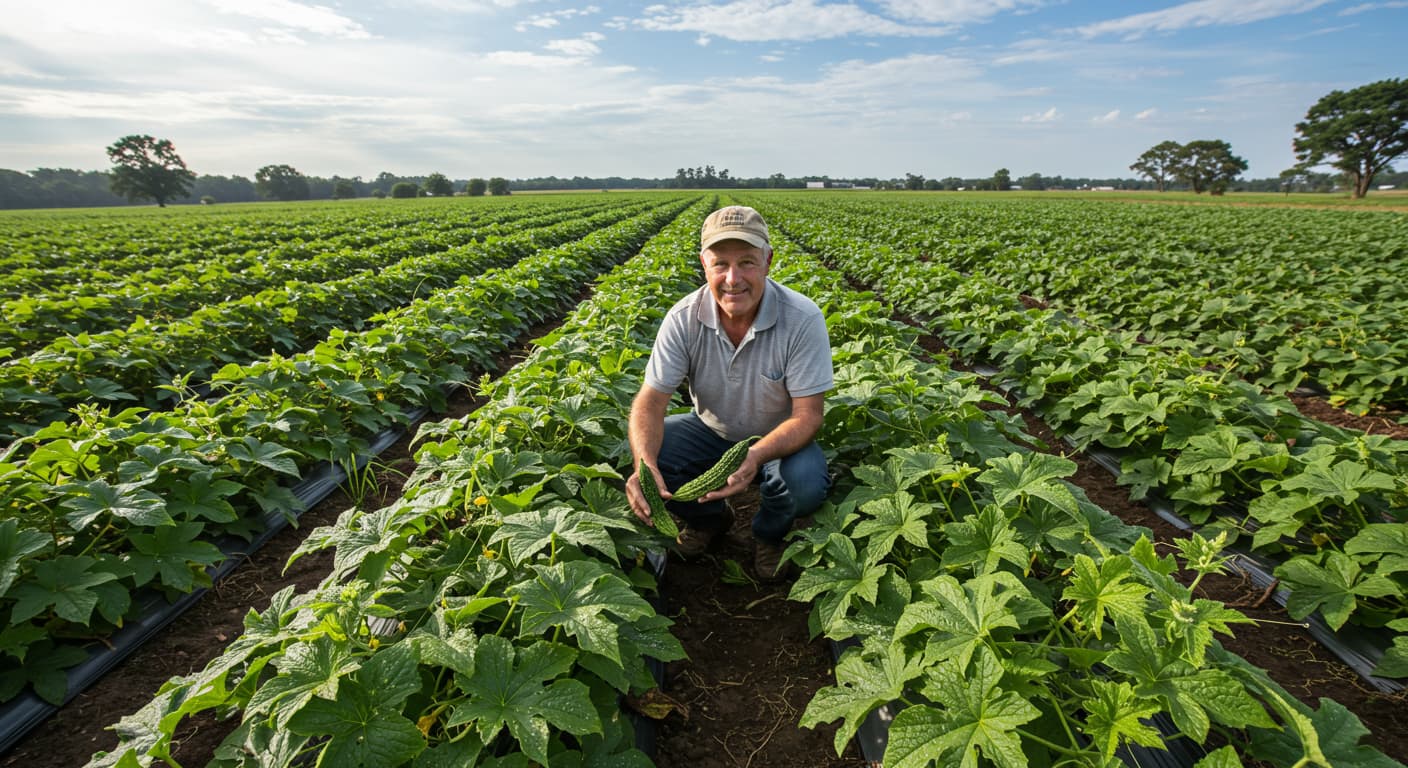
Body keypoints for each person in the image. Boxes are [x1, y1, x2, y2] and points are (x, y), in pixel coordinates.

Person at [625, 205, 834, 581]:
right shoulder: (683, 318)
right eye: (720, 263)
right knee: (656, 454)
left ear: (768, 262)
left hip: (779, 440)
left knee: (801, 484)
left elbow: (808, 415)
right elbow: (650, 402)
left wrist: (754, 455)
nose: (733, 278)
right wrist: (644, 463)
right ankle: (709, 521)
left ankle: (768, 535)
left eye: (747, 262)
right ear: (704, 265)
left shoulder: (802, 318)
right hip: (710, 431)